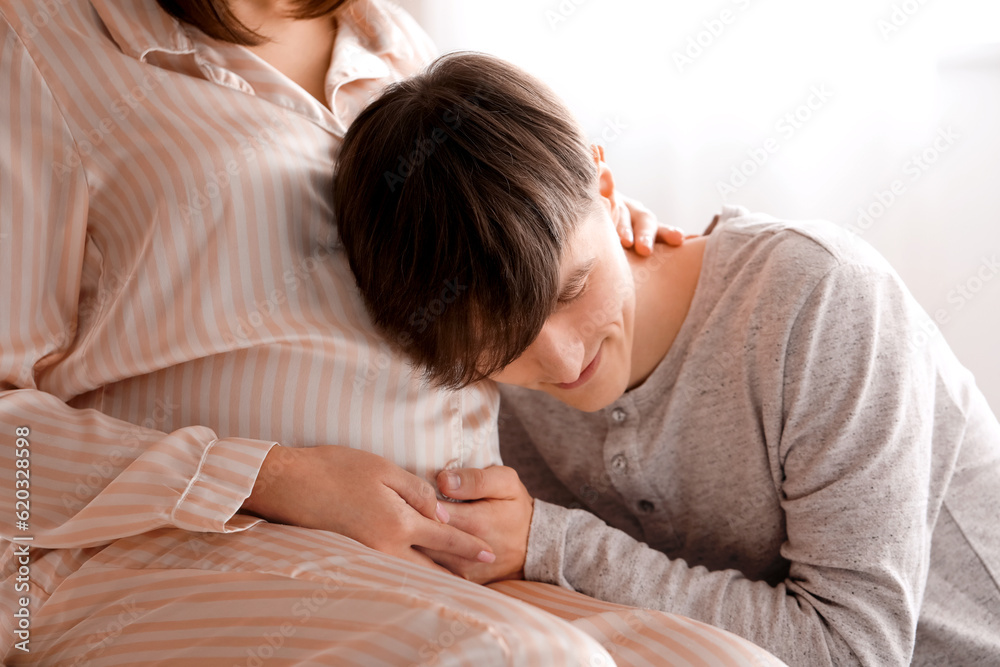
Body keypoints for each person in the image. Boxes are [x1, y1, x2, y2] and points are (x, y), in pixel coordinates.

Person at [1, 1, 791, 665]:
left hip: (442, 559)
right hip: (157, 548)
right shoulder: (39, 48)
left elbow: (497, 254)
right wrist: (270, 476)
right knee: (527, 662)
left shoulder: (393, 44)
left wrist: (587, 229)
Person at [334, 51, 1000, 666]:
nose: (563, 361)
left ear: (606, 188)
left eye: (573, 289)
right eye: (505, 344)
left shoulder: (821, 298)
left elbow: (854, 651)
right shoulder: (479, 389)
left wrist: (553, 543)